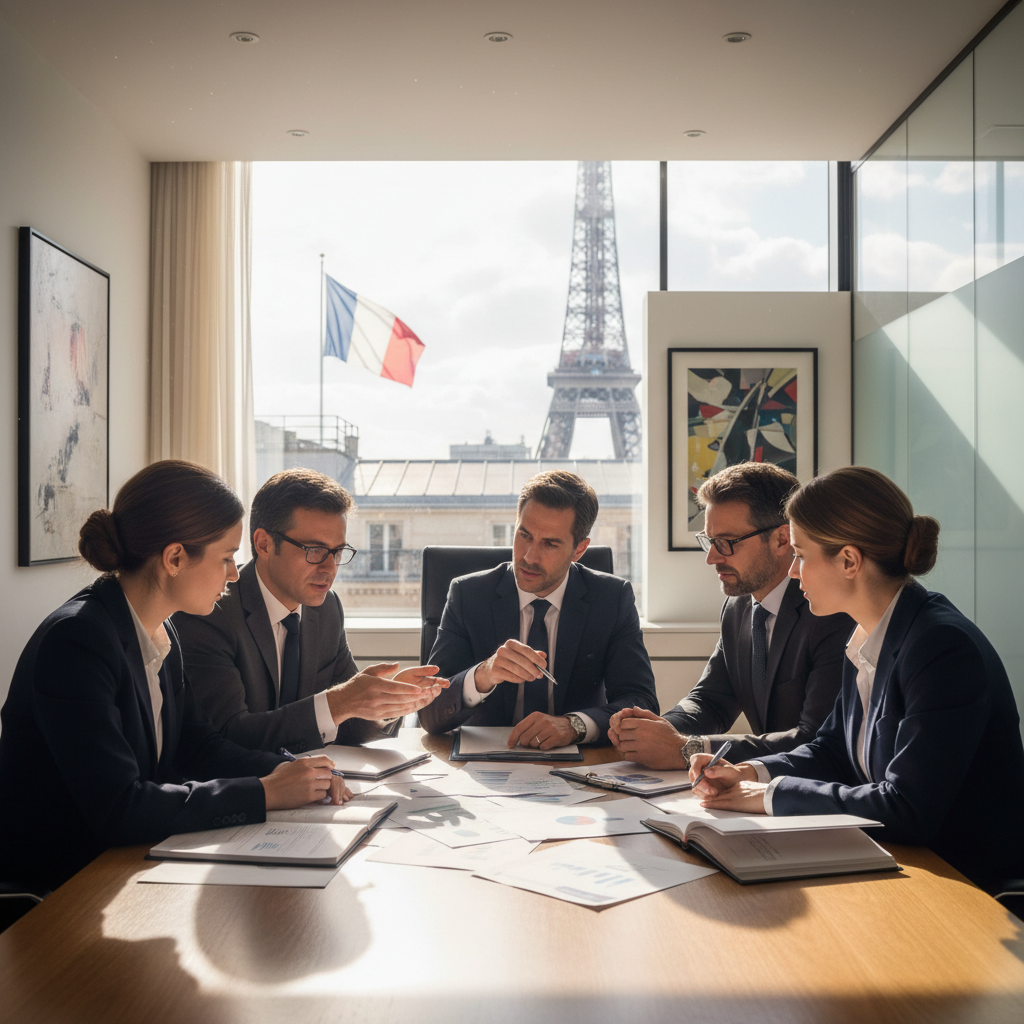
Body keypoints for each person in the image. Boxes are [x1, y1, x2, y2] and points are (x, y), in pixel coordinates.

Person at [0, 461, 350, 892]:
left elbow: (198, 746)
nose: (232, 575)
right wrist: (264, 793)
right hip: (58, 888)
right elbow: (119, 808)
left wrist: (291, 771)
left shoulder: (160, 630)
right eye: (225, 558)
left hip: (124, 864)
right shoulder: (77, 642)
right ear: (175, 558)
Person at [690, 466, 1024, 893]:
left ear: (849, 560)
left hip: (960, 879)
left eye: (801, 555)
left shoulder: (941, 647)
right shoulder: (867, 631)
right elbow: (832, 750)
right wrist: (748, 773)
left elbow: (907, 808)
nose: (792, 572)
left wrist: (768, 797)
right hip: (899, 860)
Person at [175, 469, 447, 753]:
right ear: (264, 544)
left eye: (338, 552)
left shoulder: (326, 608)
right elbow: (229, 738)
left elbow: (345, 721)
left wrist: (384, 704)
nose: (329, 568)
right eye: (314, 550)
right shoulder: (210, 611)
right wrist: (341, 701)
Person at [608, 462, 852, 768]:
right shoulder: (738, 608)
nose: (712, 557)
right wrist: (654, 731)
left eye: (726, 542)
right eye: (709, 541)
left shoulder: (831, 612)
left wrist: (686, 748)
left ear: (781, 539)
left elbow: (812, 739)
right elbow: (711, 700)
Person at [419, 470, 658, 748]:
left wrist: (575, 725)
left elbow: (642, 702)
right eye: (524, 535)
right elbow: (429, 714)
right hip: (482, 766)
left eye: (550, 544)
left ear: (579, 550)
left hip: (579, 766)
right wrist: (483, 674)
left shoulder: (612, 599)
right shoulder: (468, 595)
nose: (529, 556)